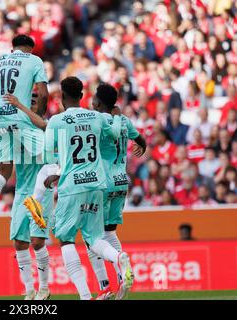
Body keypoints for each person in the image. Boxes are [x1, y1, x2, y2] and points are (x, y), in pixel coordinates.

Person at [41, 77, 133, 300]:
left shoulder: (57, 121)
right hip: (98, 185)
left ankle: (85, 296)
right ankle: (118, 256)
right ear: (82, 96)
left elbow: (47, 155)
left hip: (72, 186)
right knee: (94, 238)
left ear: (61, 96)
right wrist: (119, 116)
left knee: (66, 239)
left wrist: (57, 173)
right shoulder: (97, 116)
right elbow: (113, 135)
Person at [0, 35, 50, 300]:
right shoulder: (34, 60)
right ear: (29, 48)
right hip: (25, 194)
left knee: (3, 171)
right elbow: (42, 91)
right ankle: (30, 289)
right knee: (21, 242)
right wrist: (35, 112)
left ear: (11, 48)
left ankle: (42, 289)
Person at [84, 83, 146, 300]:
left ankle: (105, 284)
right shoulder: (125, 121)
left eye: (94, 98)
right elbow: (141, 141)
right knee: (109, 232)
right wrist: (142, 148)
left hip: (101, 183)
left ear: (98, 102)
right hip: (121, 182)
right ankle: (122, 277)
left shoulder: (96, 119)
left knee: (89, 236)